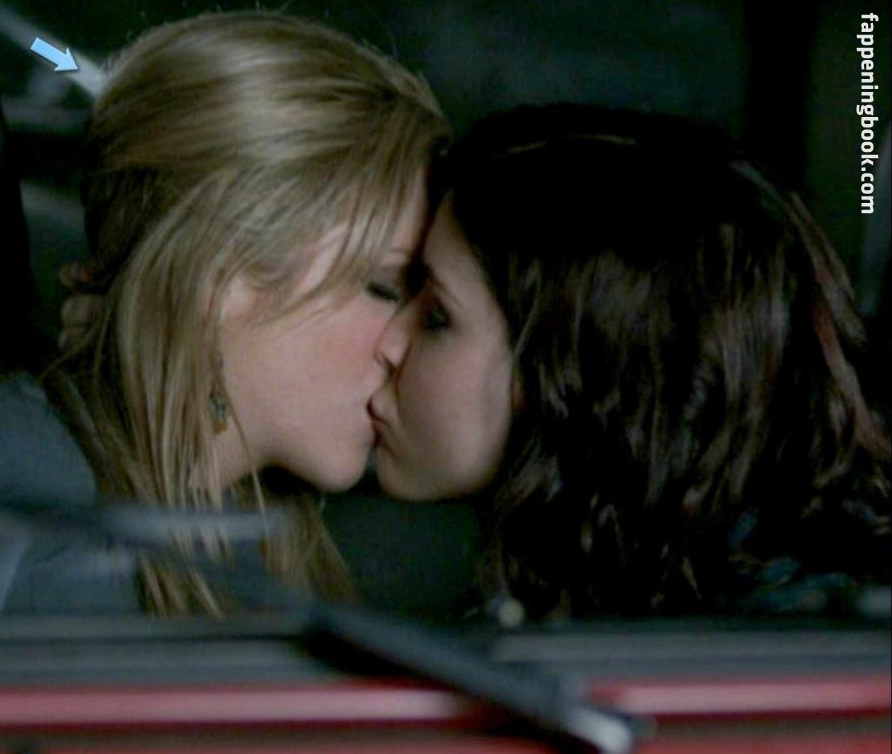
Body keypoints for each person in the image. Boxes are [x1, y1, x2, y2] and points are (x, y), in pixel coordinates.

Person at [0, 11, 449, 615]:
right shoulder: (28, 530)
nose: (404, 345)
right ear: (222, 272)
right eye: (384, 288)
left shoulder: (242, 531)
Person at [370, 104, 890, 620]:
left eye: (436, 316)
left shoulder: (784, 635)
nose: (388, 342)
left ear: (573, 366)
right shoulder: (632, 594)